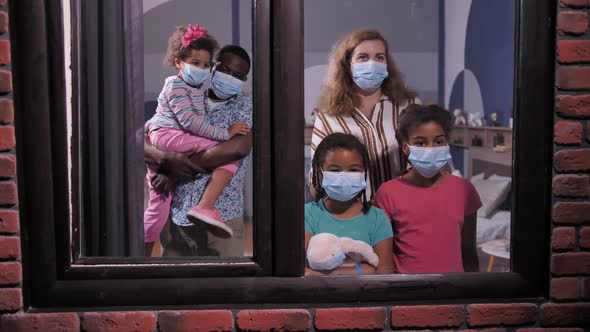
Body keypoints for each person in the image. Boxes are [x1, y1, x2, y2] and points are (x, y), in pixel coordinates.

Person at [144, 25, 251, 254]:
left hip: (222, 216)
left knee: (224, 287)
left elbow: (237, 149)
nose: (231, 79)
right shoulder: (189, 92)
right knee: (175, 286)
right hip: (179, 213)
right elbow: (144, 136)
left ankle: (205, 206)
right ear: (215, 68)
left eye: (239, 76)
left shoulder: (245, 105)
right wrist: (163, 158)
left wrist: (170, 170)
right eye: (225, 70)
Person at [310, 28, 418, 200]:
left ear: (387, 64)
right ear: (348, 64)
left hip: (404, 209)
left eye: (379, 57)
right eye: (363, 57)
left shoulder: (409, 106)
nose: (372, 64)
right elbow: (316, 180)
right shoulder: (328, 117)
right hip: (352, 215)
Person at [373, 104, 481, 273]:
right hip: (407, 294)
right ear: (405, 147)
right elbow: (383, 260)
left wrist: (473, 296)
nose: (431, 149)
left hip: (455, 293)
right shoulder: (387, 193)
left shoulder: (464, 190)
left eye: (439, 141)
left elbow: (469, 253)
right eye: (421, 143)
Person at [305, 133, 394, 275]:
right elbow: (302, 270)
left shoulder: (377, 218)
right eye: (335, 170)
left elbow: (384, 272)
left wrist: (333, 274)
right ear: (319, 172)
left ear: (364, 172)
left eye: (353, 170)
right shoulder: (307, 215)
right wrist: (363, 270)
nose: (344, 176)